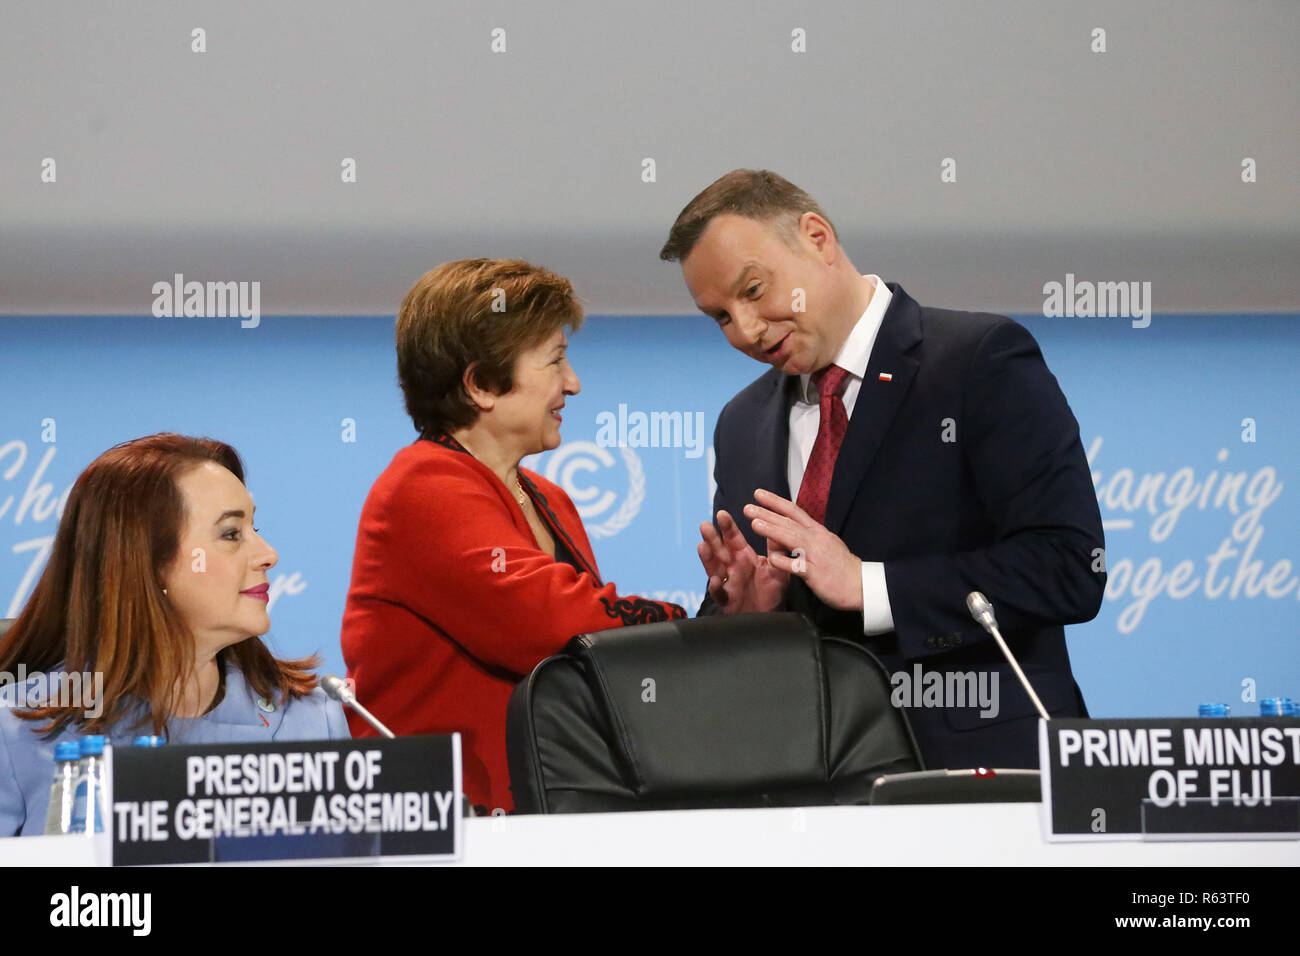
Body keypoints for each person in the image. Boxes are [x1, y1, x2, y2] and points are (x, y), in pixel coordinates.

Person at [660, 169, 1105, 770]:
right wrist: (746, 617)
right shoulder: (741, 423)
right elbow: (763, 628)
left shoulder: (979, 360)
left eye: (755, 289)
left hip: (978, 773)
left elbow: (1068, 566)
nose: (745, 329)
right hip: (809, 781)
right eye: (719, 316)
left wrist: (869, 585)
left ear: (817, 238)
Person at [340, 258, 686, 815]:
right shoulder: (423, 486)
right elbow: (555, 625)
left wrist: (730, 605)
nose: (572, 383)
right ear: (480, 384)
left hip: (544, 814)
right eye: (554, 361)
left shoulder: (552, 501)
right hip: (443, 829)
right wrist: (704, 625)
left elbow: (591, 662)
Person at [0, 433, 349, 837]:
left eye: (255, 527)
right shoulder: (17, 732)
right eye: (232, 534)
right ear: (147, 563)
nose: (267, 554)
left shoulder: (311, 720)